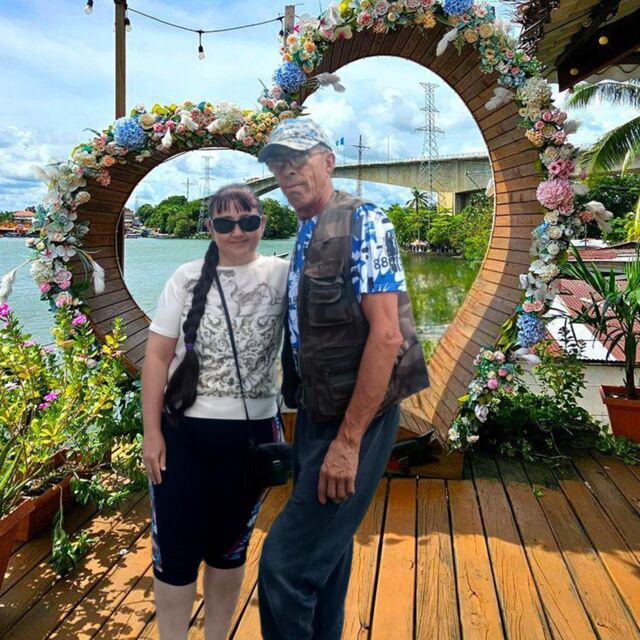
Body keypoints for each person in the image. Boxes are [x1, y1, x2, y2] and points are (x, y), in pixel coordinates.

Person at [257, 118, 429, 639]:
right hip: (317, 410)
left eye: (298, 159)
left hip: (357, 418)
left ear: (328, 161)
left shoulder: (365, 222)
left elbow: (386, 337)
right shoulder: (307, 230)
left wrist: (349, 442)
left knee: (284, 567)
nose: (287, 173)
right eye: (277, 164)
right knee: (324, 560)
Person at [141, 184, 289, 640]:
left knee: (230, 549)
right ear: (210, 227)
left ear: (263, 223)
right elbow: (157, 359)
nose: (237, 231)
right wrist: (151, 433)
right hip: (182, 434)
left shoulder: (283, 275)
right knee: (175, 549)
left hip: (252, 436)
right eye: (225, 223)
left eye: (248, 221)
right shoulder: (185, 277)